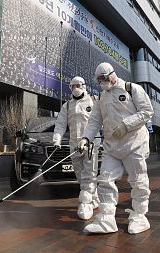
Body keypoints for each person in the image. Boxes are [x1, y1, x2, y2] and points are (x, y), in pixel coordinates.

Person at [78, 62, 154, 234]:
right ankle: (106, 219)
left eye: (103, 78)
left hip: (134, 143)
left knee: (138, 181)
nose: (101, 82)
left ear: (112, 74)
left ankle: (140, 216)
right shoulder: (101, 98)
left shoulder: (131, 89)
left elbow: (147, 111)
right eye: (98, 80)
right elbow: (95, 121)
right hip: (112, 146)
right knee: (104, 179)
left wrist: (126, 125)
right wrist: (85, 138)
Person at [53, 76, 99, 220]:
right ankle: (94, 197)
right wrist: (57, 140)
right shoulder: (67, 105)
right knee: (80, 175)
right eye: (72, 86)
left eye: (78, 85)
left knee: (89, 173)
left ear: (84, 86)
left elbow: (101, 120)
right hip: (74, 145)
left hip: (91, 144)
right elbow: (60, 123)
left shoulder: (94, 101)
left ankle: (85, 203)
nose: (75, 88)